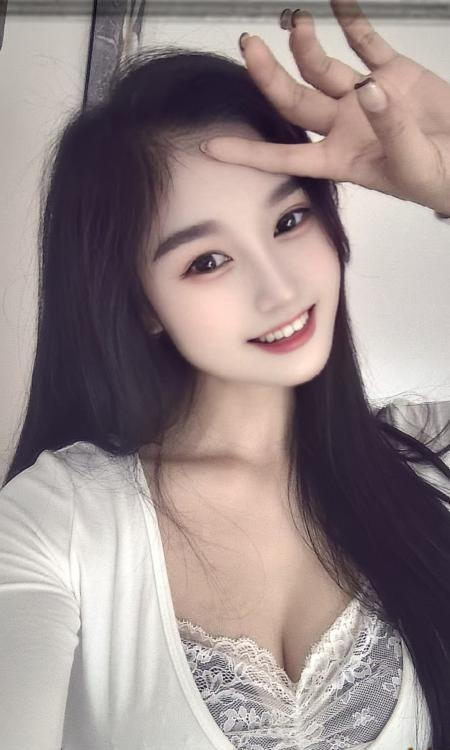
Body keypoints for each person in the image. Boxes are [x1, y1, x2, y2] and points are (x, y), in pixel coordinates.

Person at [0, 1, 449, 748]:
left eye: (289, 221)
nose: (278, 289)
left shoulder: (429, 458)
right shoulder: (60, 525)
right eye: (207, 260)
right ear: (142, 304)